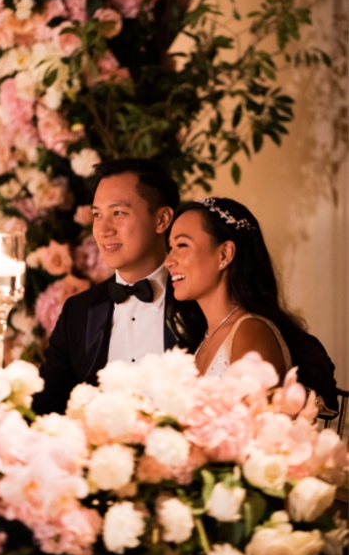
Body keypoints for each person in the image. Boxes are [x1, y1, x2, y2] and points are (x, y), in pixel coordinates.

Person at [35, 159, 198, 415]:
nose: (103, 229)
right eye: (97, 215)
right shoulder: (78, 312)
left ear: (162, 219)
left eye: (118, 213)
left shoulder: (198, 302)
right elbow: (47, 408)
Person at [164, 197, 339, 414]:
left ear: (224, 254)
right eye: (170, 247)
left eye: (182, 245)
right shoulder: (203, 338)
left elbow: (254, 436)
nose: (168, 261)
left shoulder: (249, 332)